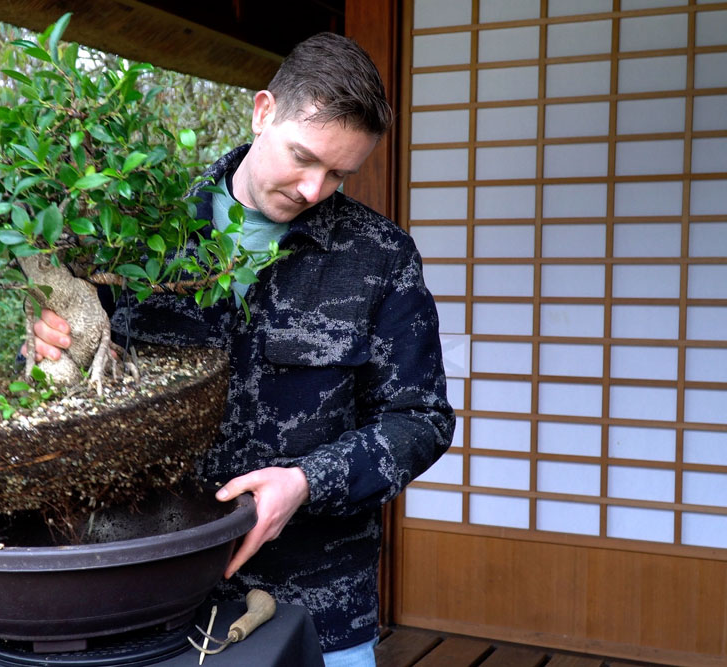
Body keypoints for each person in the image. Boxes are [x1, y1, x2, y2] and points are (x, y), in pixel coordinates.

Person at [28, 32, 455, 667]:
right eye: (303, 157)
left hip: (319, 598)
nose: (314, 189)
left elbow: (421, 419)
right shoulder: (140, 235)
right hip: (148, 578)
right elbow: (70, 380)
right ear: (262, 112)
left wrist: (308, 481)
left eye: (339, 173)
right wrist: (47, 347)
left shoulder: (380, 256)